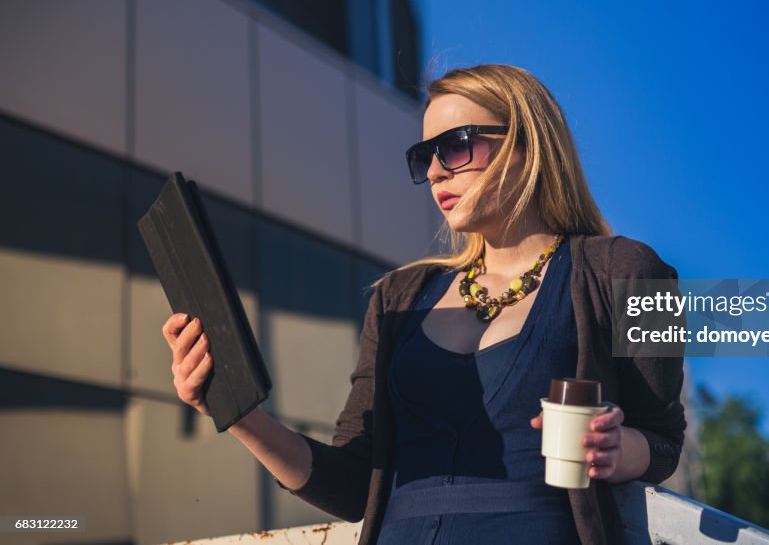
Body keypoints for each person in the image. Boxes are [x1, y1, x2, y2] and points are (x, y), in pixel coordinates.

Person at [162, 64, 687, 545]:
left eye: (455, 146)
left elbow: (663, 443)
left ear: (526, 144)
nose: (435, 172)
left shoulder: (629, 270)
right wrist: (237, 413)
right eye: (425, 156)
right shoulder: (397, 299)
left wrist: (617, 448)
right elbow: (351, 487)